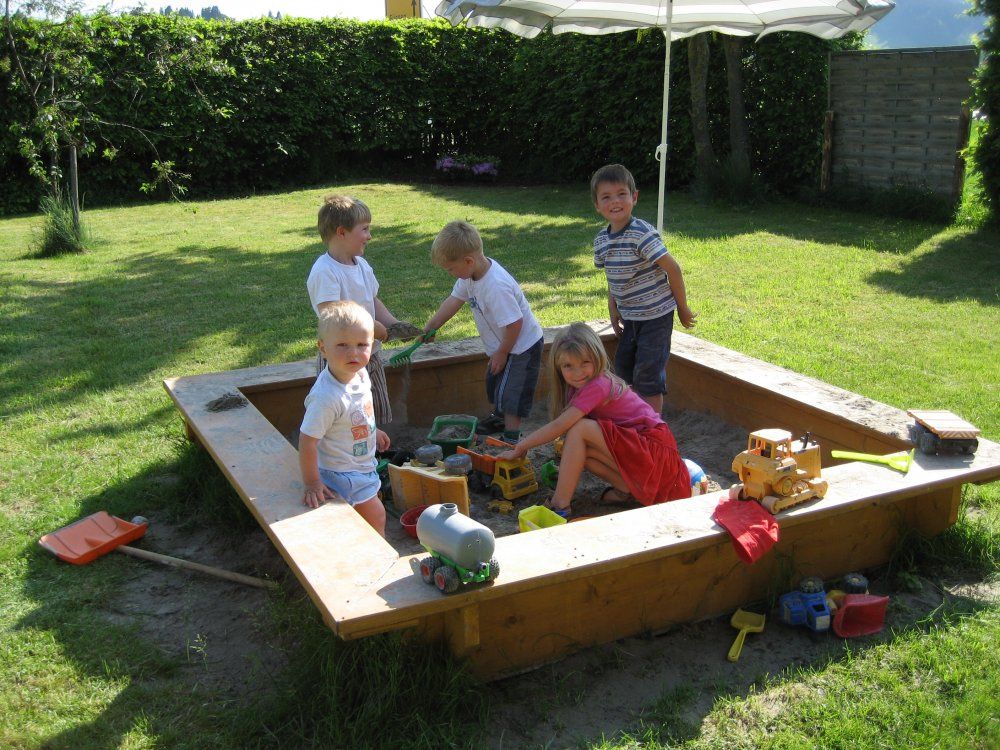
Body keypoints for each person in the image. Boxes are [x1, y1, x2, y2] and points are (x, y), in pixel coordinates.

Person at [497, 322, 690, 516]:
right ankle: (628, 490)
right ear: (558, 367)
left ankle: (559, 504)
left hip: (654, 453)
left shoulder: (598, 384)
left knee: (579, 429)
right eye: (568, 366)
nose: (577, 372)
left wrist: (521, 446)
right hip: (643, 453)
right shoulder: (579, 387)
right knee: (580, 452)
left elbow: (560, 425)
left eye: (585, 363)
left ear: (597, 358)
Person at [422, 220, 544, 443]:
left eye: (450, 269)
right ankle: (499, 419)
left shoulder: (495, 286)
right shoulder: (470, 276)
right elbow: (453, 301)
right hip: (505, 344)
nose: (450, 273)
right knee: (495, 382)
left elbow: (515, 323)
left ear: (468, 261)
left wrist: (502, 352)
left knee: (512, 392)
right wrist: (432, 326)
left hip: (522, 345)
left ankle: (511, 438)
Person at [591, 163, 697, 414]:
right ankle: (633, 417)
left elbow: (674, 269)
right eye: (606, 197)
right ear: (597, 205)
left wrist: (682, 308)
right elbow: (612, 276)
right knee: (624, 369)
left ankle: (652, 430)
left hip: (656, 316)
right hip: (630, 316)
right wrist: (613, 308)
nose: (615, 202)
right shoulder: (602, 240)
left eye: (621, 194)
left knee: (648, 374)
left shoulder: (642, 234)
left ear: (634, 197)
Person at [307, 195, 420, 426]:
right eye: (365, 229)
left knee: (373, 406)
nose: (369, 236)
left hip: (370, 353)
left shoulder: (362, 266)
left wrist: (395, 326)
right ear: (341, 232)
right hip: (340, 358)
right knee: (346, 413)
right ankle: (348, 454)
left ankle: (375, 452)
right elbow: (332, 316)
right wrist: (372, 329)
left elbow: (373, 301)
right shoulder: (325, 272)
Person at [298, 301, 390, 536]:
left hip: (360, 464)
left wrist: (372, 429)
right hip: (341, 471)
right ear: (323, 348)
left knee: (364, 517)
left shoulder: (359, 374)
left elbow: (356, 411)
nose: (354, 353)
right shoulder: (327, 397)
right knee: (377, 516)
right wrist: (312, 483)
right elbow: (308, 441)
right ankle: (377, 560)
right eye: (342, 345)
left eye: (362, 345)